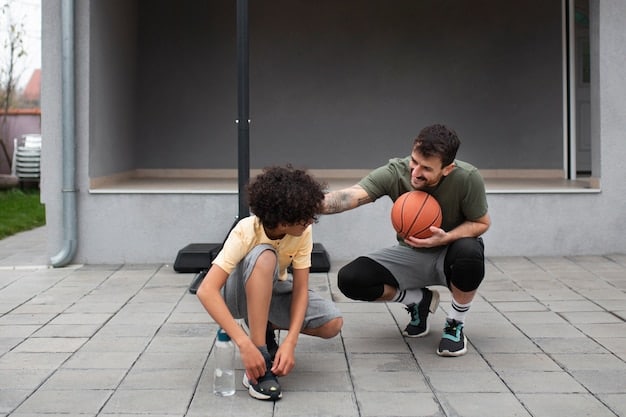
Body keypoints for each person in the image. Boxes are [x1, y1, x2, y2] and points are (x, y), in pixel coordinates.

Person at [322, 124, 490, 357]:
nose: (415, 172)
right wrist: (303, 204)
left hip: (451, 253)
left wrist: (447, 237)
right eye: (414, 161)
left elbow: (481, 223)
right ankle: (418, 300)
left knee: (470, 251)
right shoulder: (396, 171)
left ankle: (455, 323)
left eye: (426, 168)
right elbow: (352, 196)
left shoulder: (467, 178)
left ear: (447, 169)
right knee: (351, 279)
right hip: (410, 253)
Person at [196, 165, 343, 401]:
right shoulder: (247, 229)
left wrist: (291, 342)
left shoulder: (302, 232)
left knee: (332, 323)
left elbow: (300, 289)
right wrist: (244, 345)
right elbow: (206, 290)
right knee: (265, 255)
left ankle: (264, 328)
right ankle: (259, 360)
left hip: (272, 289)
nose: (310, 221)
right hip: (238, 296)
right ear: (284, 219)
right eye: (305, 217)